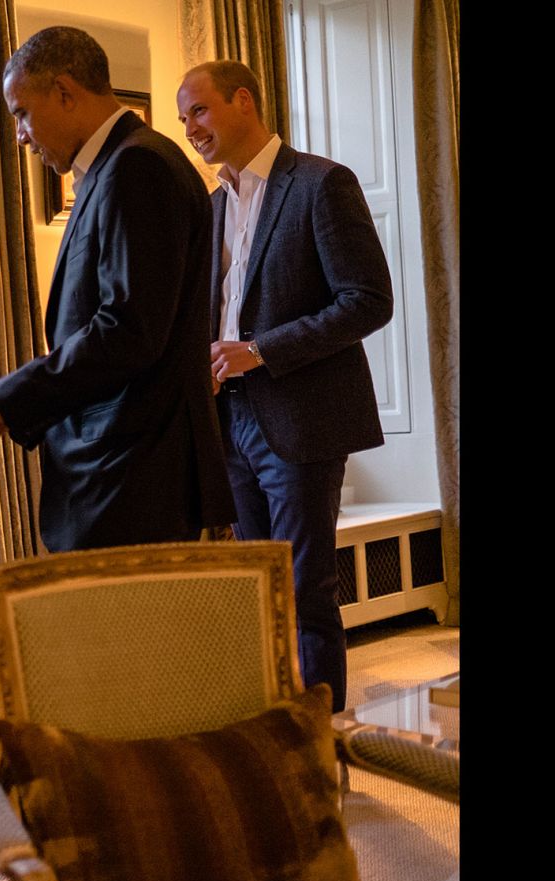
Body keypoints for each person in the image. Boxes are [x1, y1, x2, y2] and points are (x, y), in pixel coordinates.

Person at [0, 27, 234, 552]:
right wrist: (9, 410)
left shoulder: (137, 166)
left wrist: (5, 397)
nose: (21, 136)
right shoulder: (114, 168)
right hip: (118, 473)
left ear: (66, 93)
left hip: (133, 478)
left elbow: (129, 333)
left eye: (22, 113)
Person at [177, 61, 394, 711]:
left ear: (244, 100)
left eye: (200, 110)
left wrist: (260, 352)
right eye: (184, 117)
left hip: (302, 420)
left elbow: (367, 300)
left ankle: (319, 748)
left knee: (306, 590)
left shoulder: (322, 184)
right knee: (257, 593)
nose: (190, 127)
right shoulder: (211, 206)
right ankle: (274, 734)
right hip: (229, 422)